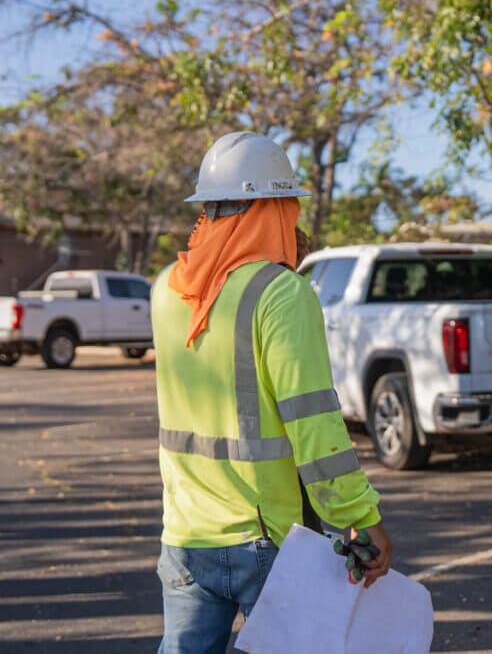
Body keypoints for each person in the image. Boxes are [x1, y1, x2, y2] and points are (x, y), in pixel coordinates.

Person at [152, 131, 392, 653]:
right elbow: (317, 429)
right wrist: (359, 520)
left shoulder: (167, 286)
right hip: (266, 541)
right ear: (269, 208)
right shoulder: (281, 294)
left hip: (184, 536)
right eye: (287, 206)